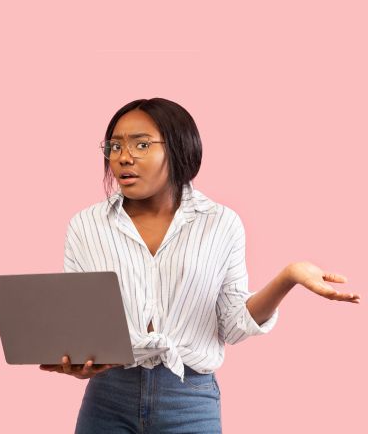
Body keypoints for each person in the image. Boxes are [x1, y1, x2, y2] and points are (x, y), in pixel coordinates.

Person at [39, 98, 361, 433]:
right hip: (107, 397)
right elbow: (81, 324)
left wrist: (288, 277)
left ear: (178, 149)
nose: (123, 156)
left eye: (142, 144)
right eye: (115, 145)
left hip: (189, 398)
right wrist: (77, 360)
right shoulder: (85, 226)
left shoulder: (221, 223)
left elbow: (233, 326)